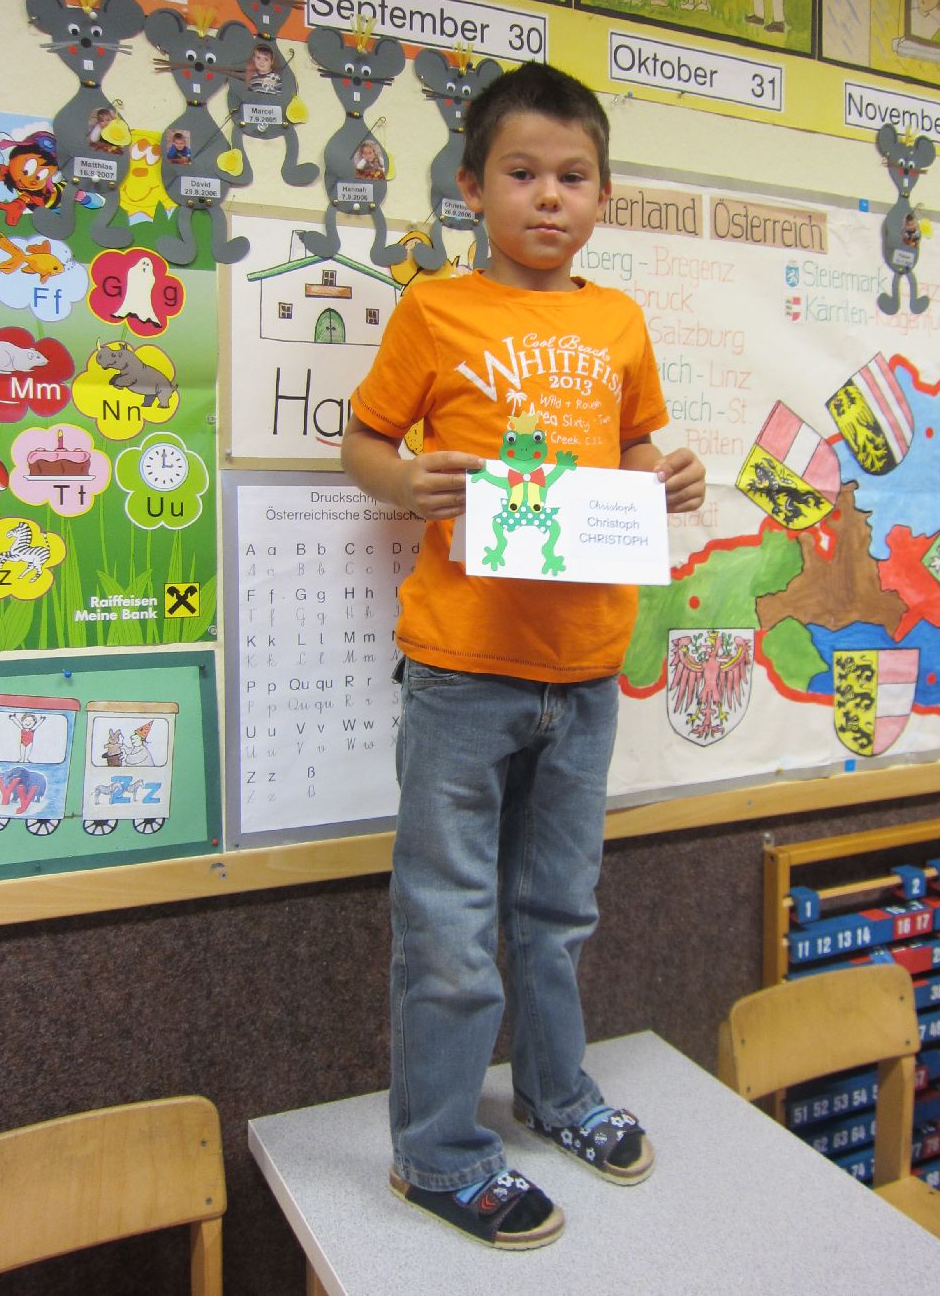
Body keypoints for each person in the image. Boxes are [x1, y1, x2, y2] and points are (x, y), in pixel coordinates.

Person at [342, 62, 705, 1249]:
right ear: (471, 187)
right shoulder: (435, 310)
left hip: (586, 667)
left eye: (574, 176)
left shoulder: (618, 322)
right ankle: (438, 1153)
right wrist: (404, 480)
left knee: (558, 909)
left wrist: (670, 475)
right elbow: (364, 438)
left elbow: (638, 449)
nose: (550, 196)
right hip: (462, 670)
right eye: (523, 173)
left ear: (601, 194)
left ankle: (556, 1092)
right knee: (448, 924)